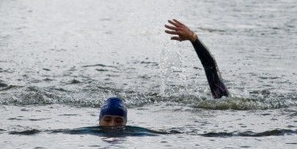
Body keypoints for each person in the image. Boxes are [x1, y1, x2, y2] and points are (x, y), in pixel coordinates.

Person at [95, 19, 228, 130]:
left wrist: (194, 39)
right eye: (107, 120)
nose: (112, 126)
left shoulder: (223, 101)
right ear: (99, 121)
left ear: (125, 123)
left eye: (118, 121)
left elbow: (210, 68)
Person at [165, 19, 229, 99]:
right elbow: (211, 66)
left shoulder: (222, 98)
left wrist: (193, 38)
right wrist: (193, 38)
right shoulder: (224, 98)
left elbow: (210, 66)